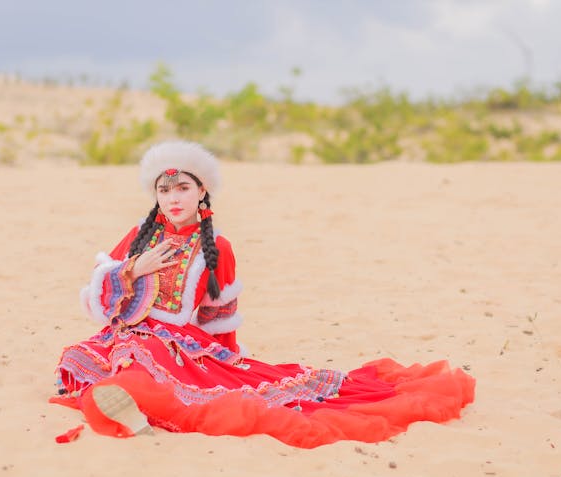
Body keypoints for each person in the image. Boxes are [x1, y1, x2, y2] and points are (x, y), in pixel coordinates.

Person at [51, 140, 475, 448]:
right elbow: (96, 301)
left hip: (176, 347)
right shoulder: (140, 236)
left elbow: (220, 318)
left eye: (182, 188)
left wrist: (226, 361)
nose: (173, 198)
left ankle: (134, 407)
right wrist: (132, 269)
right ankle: (125, 400)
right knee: (75, 361)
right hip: (124, 338)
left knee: (145, 385)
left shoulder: (218, 249)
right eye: (164, 190)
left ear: (202, 191)